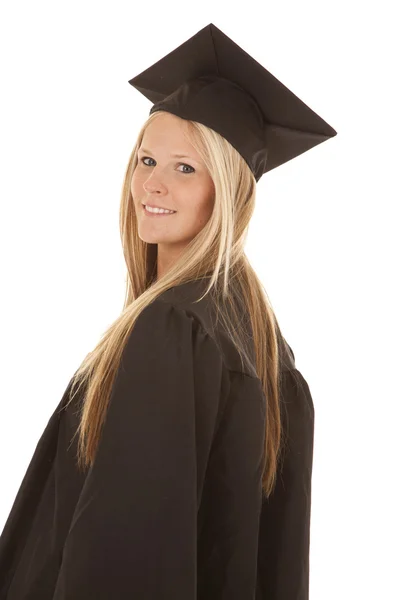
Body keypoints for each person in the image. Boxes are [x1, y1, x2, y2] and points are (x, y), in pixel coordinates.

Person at [0, 23, 336, 599]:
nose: (151, 184)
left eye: (185, 168)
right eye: (145, 159)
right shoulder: (257, 337)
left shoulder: (172, 330)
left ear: (226, 191)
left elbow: (127, 557)